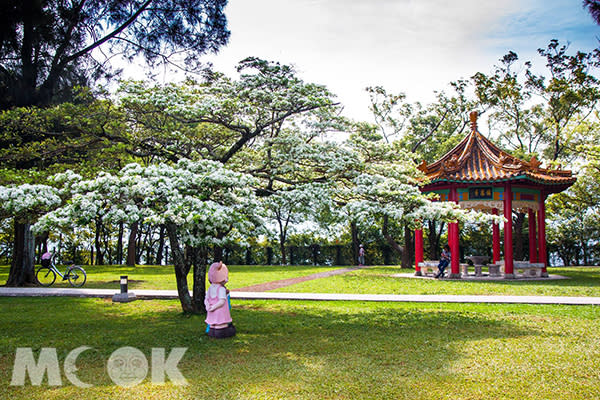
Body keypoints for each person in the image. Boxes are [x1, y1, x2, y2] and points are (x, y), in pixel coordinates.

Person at [205, 261, 236, 338]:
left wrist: (208, 306)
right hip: (219, 311)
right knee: (221, 326)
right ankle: (224, 332)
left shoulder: (210, 288)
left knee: (213, 326)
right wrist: (213, 307)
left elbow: (206, 299)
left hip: (211, 310)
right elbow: (222, 301)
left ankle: (212, 332)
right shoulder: (221, 289)